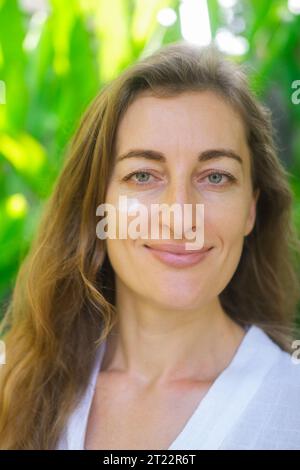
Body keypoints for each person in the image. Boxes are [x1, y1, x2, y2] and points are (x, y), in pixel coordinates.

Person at [0, 41, 300, 450]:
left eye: (215, 177)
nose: (180, 214)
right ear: (96, 206)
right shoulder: (14, 391)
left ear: (250, 209)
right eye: (143, 176)